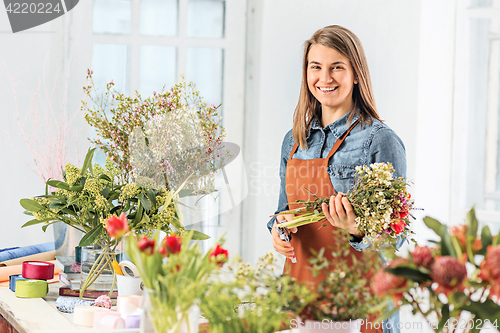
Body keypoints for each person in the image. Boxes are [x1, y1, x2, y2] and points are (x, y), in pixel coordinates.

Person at [267, 25, 406, 333]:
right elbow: (282, 212)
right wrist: (279, 231)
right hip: (298, 298)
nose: (325, 78)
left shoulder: (379, 140)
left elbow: (396, 239)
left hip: (359, 304)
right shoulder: (294, 140)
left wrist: (357, 231)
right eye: (316, 67)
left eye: (337, 67)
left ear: (356, 74)